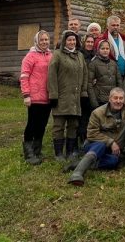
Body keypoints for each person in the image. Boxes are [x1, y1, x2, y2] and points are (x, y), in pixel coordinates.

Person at [68, 87, 125, 186]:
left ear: (124, 99)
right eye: (115, 98)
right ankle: (77, 173)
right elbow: (91, 134)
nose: (118, 101)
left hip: (113, 151)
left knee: (114, 161)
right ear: (109, 99)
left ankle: (82, 163)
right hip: (93, 145)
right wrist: (111, 142)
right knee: (101, 145)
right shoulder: (97, 113)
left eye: (121, 98)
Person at [49, 30, 89, 162]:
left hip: (76, 97)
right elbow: (52, 76)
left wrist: (83, 92)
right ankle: (59, 153)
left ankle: (70, 151)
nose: (72, 42)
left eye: (74, 40)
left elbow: (85, 75)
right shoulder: (57, 55)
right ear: (64, 41)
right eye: (69, 40)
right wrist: (53, 95)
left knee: (73, 124)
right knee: (59, 125)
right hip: (61, 96)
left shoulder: (80, 56)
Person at [19, 30, 53, 165]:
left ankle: (37, 149)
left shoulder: (51, 55)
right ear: (37, 41)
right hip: (34, 96)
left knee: (42, 125)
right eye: (42, 40)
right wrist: (26, 94)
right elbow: (24, 76)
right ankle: (28, 151)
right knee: (32, 124)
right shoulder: (30, 56)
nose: (44, 42)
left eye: (46, 40)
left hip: (48, 96)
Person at [88, 39, 122, 109]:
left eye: (107, 48)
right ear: (98, 50)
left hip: (112, 100)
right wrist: (94, 102)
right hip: (99, 99)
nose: (105, 50)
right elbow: (89, 84)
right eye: (102, 48)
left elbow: (119, 82)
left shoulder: (114, 64)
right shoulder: (93, 64)